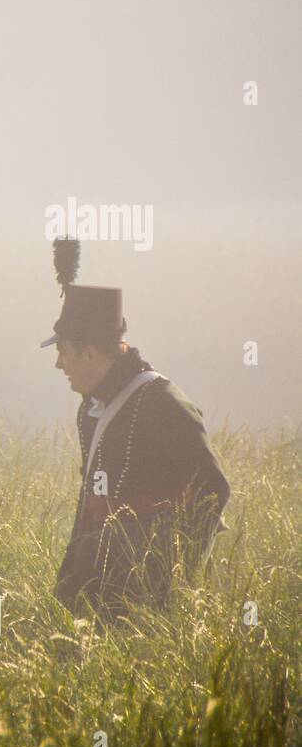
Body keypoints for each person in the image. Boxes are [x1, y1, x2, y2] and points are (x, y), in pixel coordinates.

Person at [42, 240, 230, 621]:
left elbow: (214, 490)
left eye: (64, 351)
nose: (58, 364)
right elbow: (90, 501)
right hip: (96, 579)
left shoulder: (165, 405)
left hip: (146, 599)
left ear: (91, 352)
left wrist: (171, 578)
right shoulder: (91, 409)